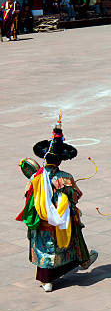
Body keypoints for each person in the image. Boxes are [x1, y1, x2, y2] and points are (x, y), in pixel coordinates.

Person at [16, 112, 98, 292]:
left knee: (44, 249)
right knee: (74, 233)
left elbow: (26, 195)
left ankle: (47, 280)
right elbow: (76, 196)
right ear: (60, 160)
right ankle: (83, 260)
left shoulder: (35, 177)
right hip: (60, 221)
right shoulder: (65, 178)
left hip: (41, 222)